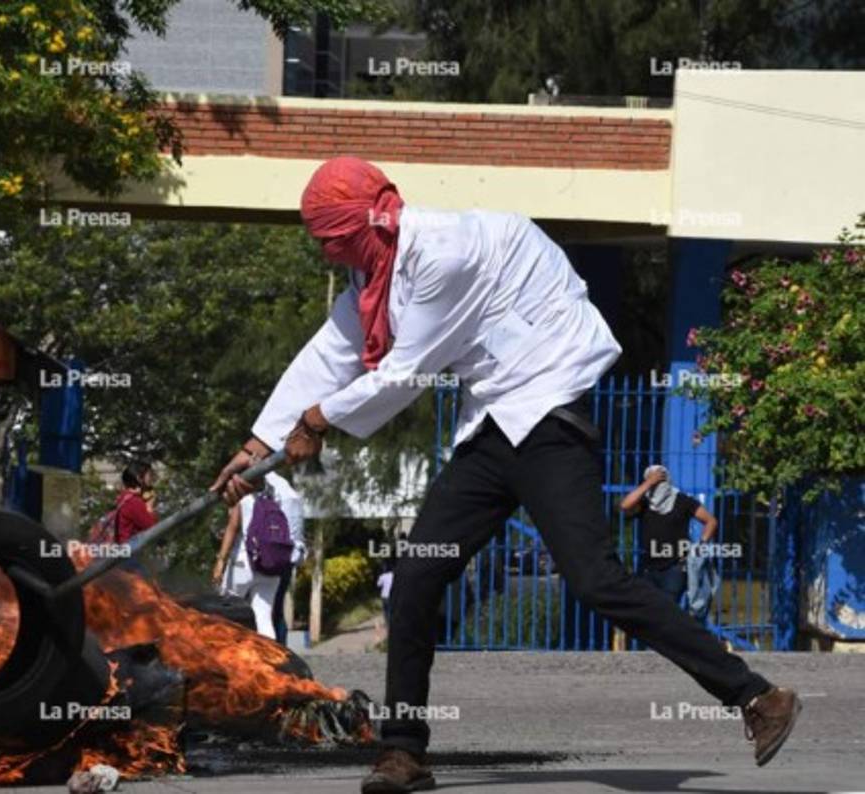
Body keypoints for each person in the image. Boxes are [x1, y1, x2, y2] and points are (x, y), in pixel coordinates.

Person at [209, 157, 800, 793]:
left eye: (331, 241)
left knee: (596, 581)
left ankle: (757, 696)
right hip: (492, 425)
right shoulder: (376, 272)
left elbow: (408, 372)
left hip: (548, 414)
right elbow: (331, 351)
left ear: (367, 222)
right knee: (414, 579)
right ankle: (403, 752)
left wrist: (318, 422)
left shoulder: (444, 252)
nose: (328, 256)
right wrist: (259, 440)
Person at [212, 470, 305, 641]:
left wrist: (220, 562)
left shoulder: (245, 501)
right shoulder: (277, 505)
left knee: (227, 614)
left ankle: (227, 657)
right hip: (271, 569)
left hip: (243, 566)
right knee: (264, 618)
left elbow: (231, 530)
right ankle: (271, 661)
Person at [620, 464, 719, 604]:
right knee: (646, 611)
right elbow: (625, 506)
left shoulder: (682, 501)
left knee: (667, 612)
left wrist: (700, 545)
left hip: (674, 569)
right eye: (653, 481)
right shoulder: (645, 502)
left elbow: (711, 521)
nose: (657, 486)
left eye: (660, 480)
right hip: (648, 569)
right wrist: (648, 483)